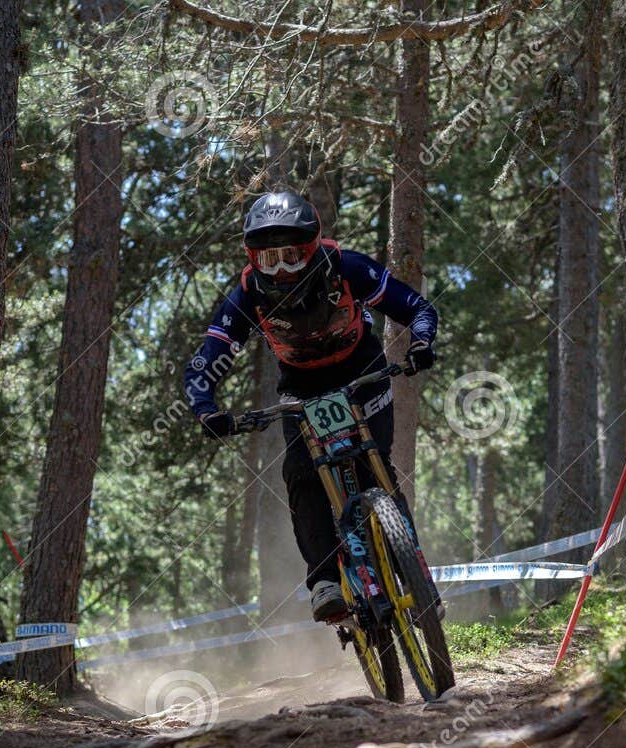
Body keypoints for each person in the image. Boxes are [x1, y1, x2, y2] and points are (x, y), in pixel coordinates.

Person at [184, 190, 439, 623]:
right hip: (301, 388)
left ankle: (413, 574)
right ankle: (324, 581)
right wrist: (206, 408)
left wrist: (420, 343)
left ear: (314, 246)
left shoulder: (346, 267)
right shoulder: (247, 293)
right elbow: (207, 359)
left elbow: (414, 306)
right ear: (253, 258)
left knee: (376, 465)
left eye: (292, 255)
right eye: (269, 259)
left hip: (362, 371)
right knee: (302, 473)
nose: (281, 269)